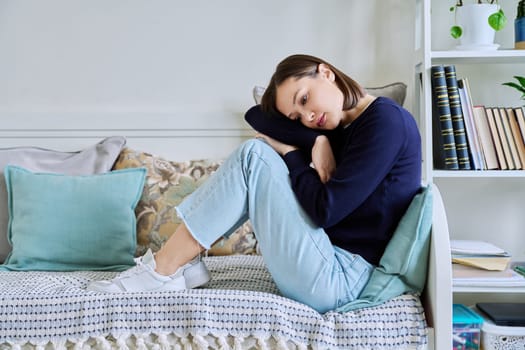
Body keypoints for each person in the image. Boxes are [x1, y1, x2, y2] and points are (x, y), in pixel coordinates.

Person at [87, 54, 422, 314]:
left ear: (326, 72)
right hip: (327, 264)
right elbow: (257, 117)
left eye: (304, 99)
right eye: (296, 117)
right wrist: (318, 140)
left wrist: (292, 152)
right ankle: (177, 266)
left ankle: (164, 269)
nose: (306, 117)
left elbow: (326, 210)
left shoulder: (385, 121)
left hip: (342, 280)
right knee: (258, 150)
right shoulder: (339, 128)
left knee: (254, 156)